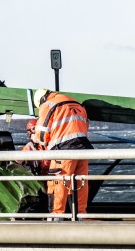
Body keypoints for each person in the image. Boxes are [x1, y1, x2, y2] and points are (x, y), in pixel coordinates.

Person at [33, 88, 93, 216]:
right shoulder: (75, 103)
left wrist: (38, 141)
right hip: (83, 148)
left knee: (58, 181)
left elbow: (42, 133)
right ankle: (81, 214)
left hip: (63, 150)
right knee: (80, 182)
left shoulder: (48, 104)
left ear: (40, 100)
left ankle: (57, 216)